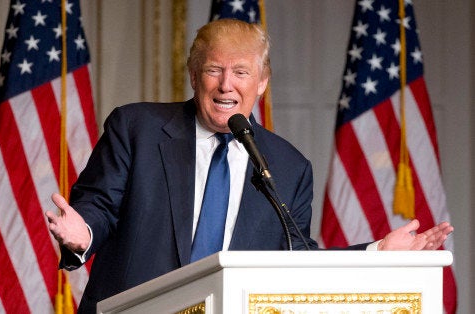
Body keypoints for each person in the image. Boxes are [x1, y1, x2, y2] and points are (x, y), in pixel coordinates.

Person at [45, 19, 453, 313]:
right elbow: (98, 205)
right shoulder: (137, 129)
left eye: (241, 72)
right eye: (214, 70)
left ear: (261, 82)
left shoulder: (288, 167)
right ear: (193, 75)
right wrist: (84, 235)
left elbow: (296, 259)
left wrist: (377, 252)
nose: (226, 85)